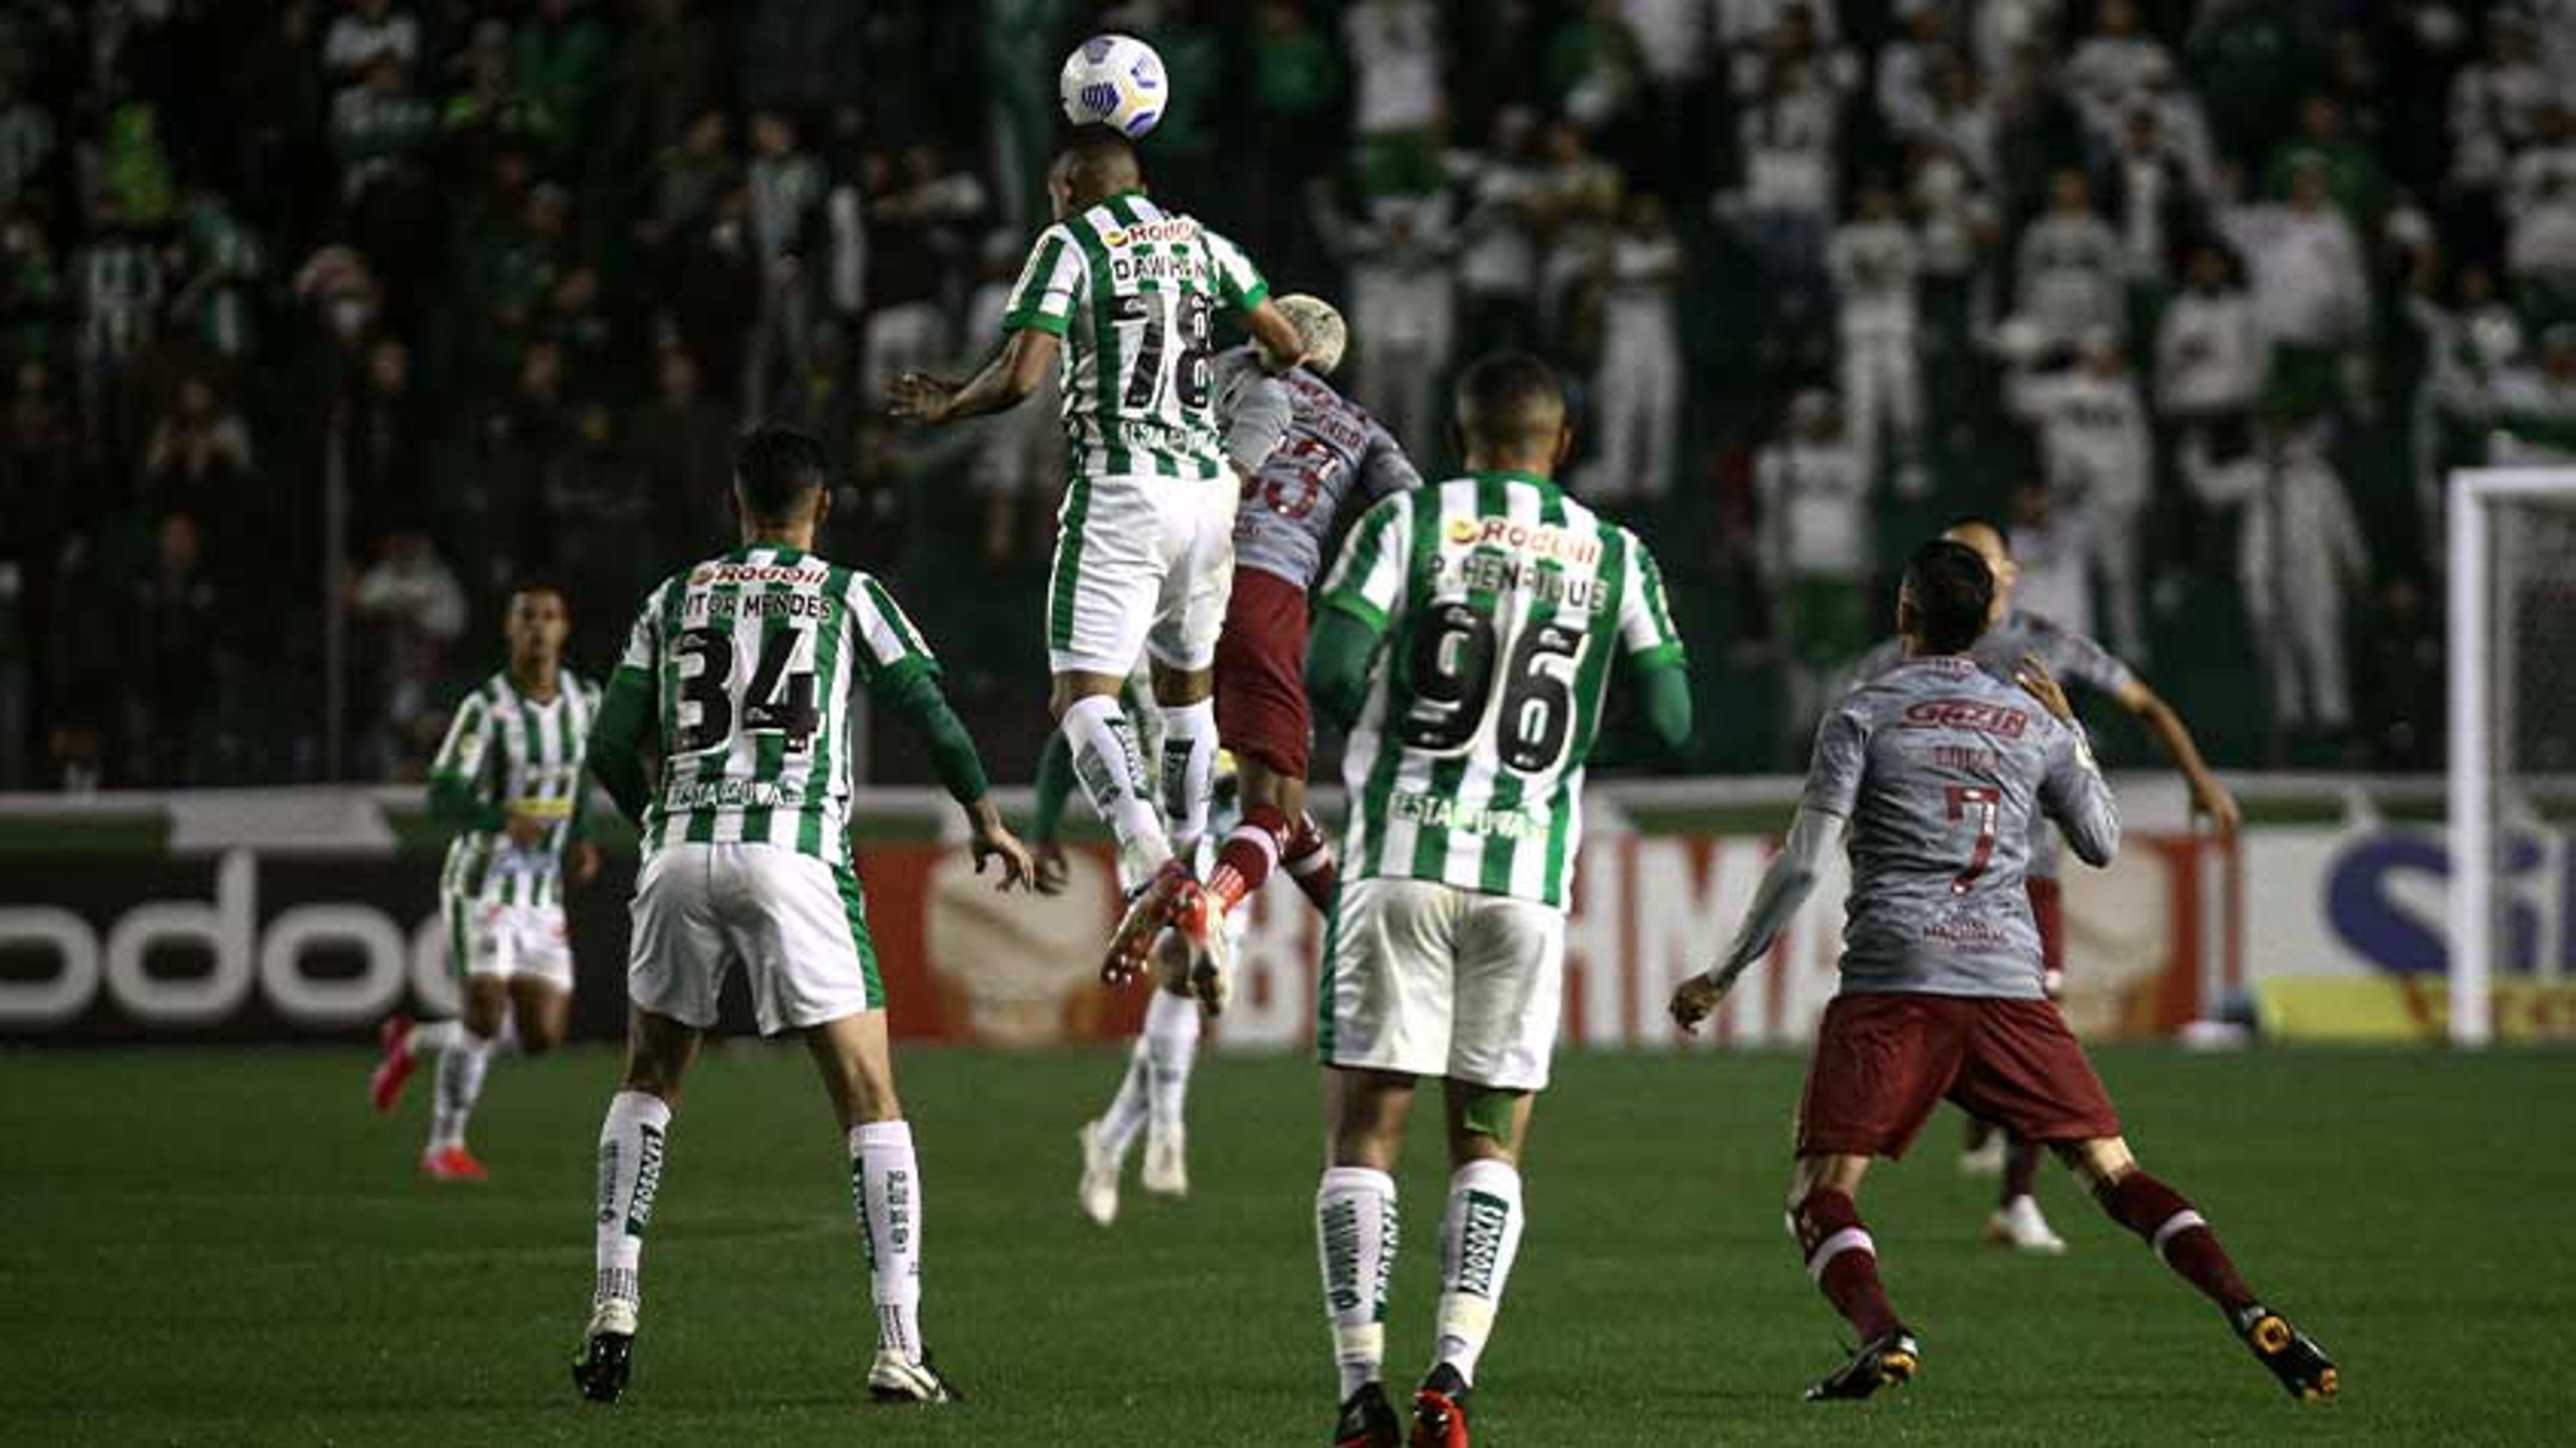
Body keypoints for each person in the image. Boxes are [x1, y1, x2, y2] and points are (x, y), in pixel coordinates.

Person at [1670, 539, 2336, 1406]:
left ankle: (1882, 1330)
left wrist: (1723, 972)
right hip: (2009, 983)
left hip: (1896, 981)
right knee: (2115, 1172)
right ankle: (2246, 1306)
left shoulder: (1864, 712)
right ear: (1989, 621)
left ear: (1904, 614)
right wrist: (2074, 736)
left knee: (1820, 1195)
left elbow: (1802, 863)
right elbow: (2099, 842)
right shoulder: (2032, 721)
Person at [568, 425, 1034, 1406]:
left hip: (680, 852)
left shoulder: (674, 596)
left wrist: (660, 819)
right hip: (796, 857)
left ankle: (613, 1301)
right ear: (823, 506)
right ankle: (898, 1342)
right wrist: (985, 816)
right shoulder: (848, 592)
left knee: (650, 1077)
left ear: (735, 504)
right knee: (870, 1097)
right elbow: (931, 712)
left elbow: (611, 743)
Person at [1306, 354, 1692, 1448]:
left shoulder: (1410, 525)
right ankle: (1451, 1377)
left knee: (1365, 1134)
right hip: (1524, 880)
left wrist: (1400, 720)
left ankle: (1358, 1388)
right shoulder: (1617, 552)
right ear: (1560, 443)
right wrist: (1563, 751)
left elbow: (1331, 667)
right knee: (1489, 1140)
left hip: (1400, 865)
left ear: (1458, 432)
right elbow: (1669, 718)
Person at [886, 128, 1305, 1006]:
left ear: (1072, 187)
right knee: (1187, 693)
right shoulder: (1201, 240)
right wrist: (1245, 365)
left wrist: (951, 404)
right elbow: (1284, 339)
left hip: (1123, 489)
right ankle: (1196, 868)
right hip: (1206, 495)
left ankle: (1156, 868)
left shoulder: (1069, 244)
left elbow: (1022, 376)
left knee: (1081, 697)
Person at [1046, 295, 1421, 1219]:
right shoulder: (1360, 425)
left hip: (1160, 564)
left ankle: (1175, 873)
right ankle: (1209, 894)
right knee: (1276, 804)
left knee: (1113, 704)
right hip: (1266, 588)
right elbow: (1412, 513)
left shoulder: (1211, 374)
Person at [1850, 520, 2239, 1251]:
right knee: (1957, 1020)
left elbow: (2145, 703)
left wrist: (2200, 778)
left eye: (1984, 559)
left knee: (2036, 1017)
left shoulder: (2048, 645)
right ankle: (1939, 1136)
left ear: (2009, 572)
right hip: (1935, 875)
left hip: (2029, 872)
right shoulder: (1894, 660)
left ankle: (2015, 1200)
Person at [369, 582, 602, 1182]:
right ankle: (444, 1146)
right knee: (482, 1011)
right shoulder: (487, 708)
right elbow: (444, 791)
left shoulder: (585, 701)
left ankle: (414, 1044)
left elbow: (579, 785)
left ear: (564, 629)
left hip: (542, 890)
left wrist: (578, 839)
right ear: (509, 628)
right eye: (527, 617)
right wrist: (501, 819)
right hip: (483, 880)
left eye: (549, 617)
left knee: (542, 1035)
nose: (538, 628)